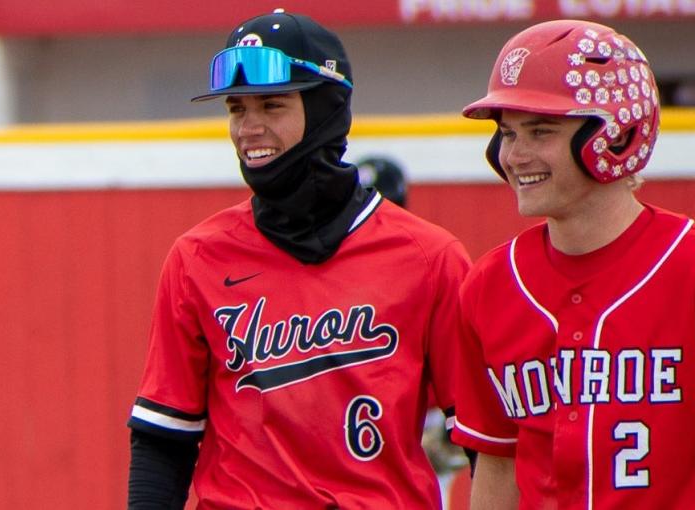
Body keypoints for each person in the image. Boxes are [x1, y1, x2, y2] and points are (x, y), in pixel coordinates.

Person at [451, 20, 695, 509]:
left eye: (540, 131)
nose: (515, 154)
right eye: (507, 133)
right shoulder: (490, 284)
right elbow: (496, 464)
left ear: (617, 134)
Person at [126, 9, 471, 509]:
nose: (250, 127)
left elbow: (487, 440)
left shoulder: (429, 257)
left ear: (327, 107)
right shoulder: (197, 257)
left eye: (272, 105)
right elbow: (164, 439)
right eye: (236, 109)